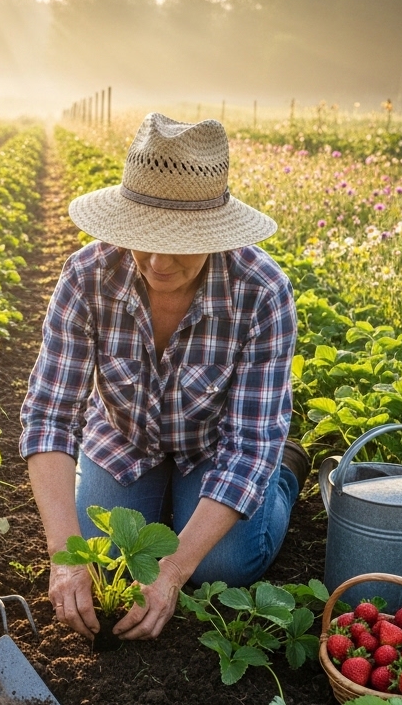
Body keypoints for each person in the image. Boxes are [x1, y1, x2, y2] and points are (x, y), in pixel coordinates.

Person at [19, 112, 309, 643]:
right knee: (101, 559)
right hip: (123, 441)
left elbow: (247, 445)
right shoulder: (87, 276)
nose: (156, 260)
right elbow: (49, 418)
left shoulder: (261, 290)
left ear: (215, 233)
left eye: (179, 241)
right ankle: (176, 509)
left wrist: (173, 570)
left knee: (223, 569)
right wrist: (65, 558)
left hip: (216, 448)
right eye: (141, 236)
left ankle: (286, 474)